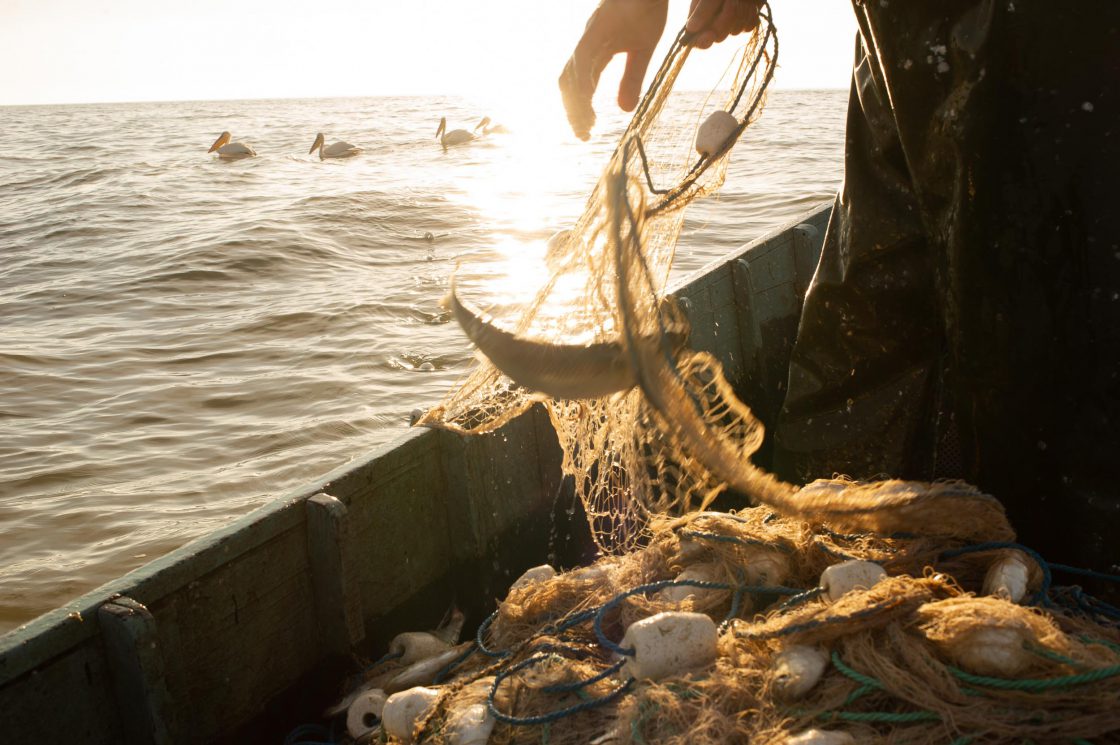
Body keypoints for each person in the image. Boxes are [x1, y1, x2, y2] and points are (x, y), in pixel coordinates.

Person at [559, 0, 1120, 581]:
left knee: (1054, 334)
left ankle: (1081, 593)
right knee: (861, 343)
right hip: (897, 26)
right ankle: (829, 562)